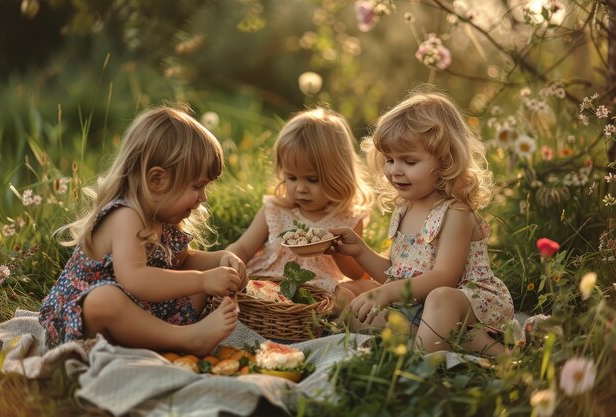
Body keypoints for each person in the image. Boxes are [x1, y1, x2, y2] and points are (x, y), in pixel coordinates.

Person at [39, 104, 247, 357]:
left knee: (200, 279)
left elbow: (183, 261)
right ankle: (186, 338)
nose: (203, 197)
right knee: (104, 300)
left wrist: (221, 261)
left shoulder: (161, 217)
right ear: (157, 180)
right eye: (197, 186)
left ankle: (164, 337)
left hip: (142, 311)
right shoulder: (126, 216)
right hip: (84, 325)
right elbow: (136, 279)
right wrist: (204, 279)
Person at [331, 89, 515, 356]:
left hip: (465, 305)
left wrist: (389, 293)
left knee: (440, 299)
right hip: (417, 308)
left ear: (445, 161)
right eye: (390, 160)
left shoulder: (455, 211)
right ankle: (453, 340)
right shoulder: (404, 208)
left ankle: (425, 359)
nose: (395, 170)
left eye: (409, 161)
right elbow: (396, 274)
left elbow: (445, 278)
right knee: (356, 312)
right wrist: (359, 250)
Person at [226, 107, 376, 312]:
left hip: (318, 288)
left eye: (312, 179)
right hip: (273, 280)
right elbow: (243, 247)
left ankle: (325, 320)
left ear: (338, 175)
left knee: (351, 293)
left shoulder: (348, 218)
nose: (300, 188)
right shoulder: (276, 210)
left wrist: (337, 250)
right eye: (291, 178)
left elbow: (356, 274)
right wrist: (226, 261)